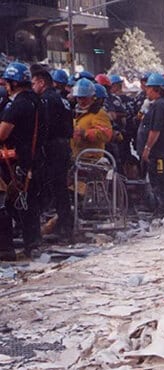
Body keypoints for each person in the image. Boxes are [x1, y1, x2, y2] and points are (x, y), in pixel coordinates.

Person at [0, 62, 44, 260]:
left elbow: (2, 133)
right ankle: (32, 244)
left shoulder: (18, 105)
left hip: (18, 161)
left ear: (14, 83)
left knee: (15, 203)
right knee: (29, 203)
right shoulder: (38, 101)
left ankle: (11, 247)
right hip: (36, 158)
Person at [31, 65, 73, 240]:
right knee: (60, 188)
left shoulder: (46, 100)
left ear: (42, 82)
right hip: (63, 145)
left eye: (33, 83)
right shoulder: (61, 99)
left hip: (53, 147)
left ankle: (63, 227)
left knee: (56, 188)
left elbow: (44, 127)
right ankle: (64, 225)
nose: (32, 87)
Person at [139, 72, 164, 216]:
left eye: (148, 88)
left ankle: (163, 210)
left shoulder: (159, 106)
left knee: (160, 180)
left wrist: (147, 148)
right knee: (161, 180)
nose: (146, 90)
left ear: (156, 89)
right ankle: (163, 209)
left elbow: (155, 130)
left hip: (159, 152)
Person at [70, 78, 112, 162]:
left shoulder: (98, 113)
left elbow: (106, 134)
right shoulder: (76, 112)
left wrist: (86, 133)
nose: (81, 101)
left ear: (93, 97)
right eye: (79, 98)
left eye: (84, 98)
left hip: (92, 160)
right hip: (77, 158)